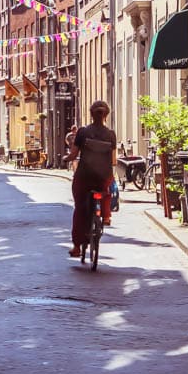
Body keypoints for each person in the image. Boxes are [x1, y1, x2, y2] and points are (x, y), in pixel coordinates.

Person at [66, 101, 116, 257]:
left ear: (91, 114)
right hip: (102, 177)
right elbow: (114, 161)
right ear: (106, 115)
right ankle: (106, 216)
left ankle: (76, 247)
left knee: (80, 208)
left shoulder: (82, 132)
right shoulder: (111, 134)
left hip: (85, 176)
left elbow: (74, 155)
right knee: (107, 189)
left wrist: (66, 158)